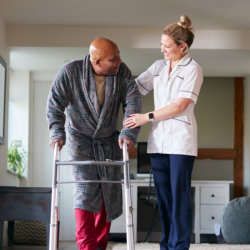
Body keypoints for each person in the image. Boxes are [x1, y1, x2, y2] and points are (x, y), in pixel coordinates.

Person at [46, 37, 141, 250]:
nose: (119, 61)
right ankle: (86, 247)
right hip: (80, 141)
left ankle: (100, 246)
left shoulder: (122, 72)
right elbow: (54, 105)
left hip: (108, 140)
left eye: (118, 56)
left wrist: (128, 133)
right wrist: (57, 133)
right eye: (113, 58)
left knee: (108, 194)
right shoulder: (70, 72)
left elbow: (133, 101)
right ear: (97, 62)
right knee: (84, 193)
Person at [124, 15, 203, 250]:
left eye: (167, 46)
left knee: (179, 198)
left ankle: (179, 246)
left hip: (181, 142)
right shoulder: (158, 67)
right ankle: (166, 244)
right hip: (158, 143)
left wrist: (145, 118)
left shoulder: (194, 69)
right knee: (164, 199)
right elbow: (135, 88)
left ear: (183, 47)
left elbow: (180, 105)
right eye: (161, 45)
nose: (162, 50)